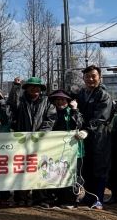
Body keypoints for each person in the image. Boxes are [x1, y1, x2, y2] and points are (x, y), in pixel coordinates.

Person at [7, 76, 56, 206]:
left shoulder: (47, 102)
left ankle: (40, 198)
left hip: (41, 143)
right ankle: (21, 198)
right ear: (26, 88)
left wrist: (40, 135)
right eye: (31, 86)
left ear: (41, 89)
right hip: (22, 143)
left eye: (37, 87)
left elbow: (50, 120)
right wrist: (16, 87)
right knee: (22, 170)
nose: (34, 89)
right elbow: (12, 105)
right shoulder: (21, 101)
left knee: (41, 169)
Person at [76, 65, 113, 210]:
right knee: (86, 167)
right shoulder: (81, 94)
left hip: (99, 136)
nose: (90, 79)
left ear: (99, 77)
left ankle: (98, 198)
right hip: (84, 137)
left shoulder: (103, 95)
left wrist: (87, 130)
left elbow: (101, 117)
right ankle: (88, 196)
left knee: (99, 167)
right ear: (83, 78)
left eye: (93, 76)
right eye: (87, 77)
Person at [48, 90, 85, 209]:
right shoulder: (51, 113)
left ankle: (71, 200)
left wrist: (75, 110)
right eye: (57, 100)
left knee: (72, 175)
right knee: (56, 174)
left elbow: (79, 125)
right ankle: (58, 198)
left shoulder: (73, 112)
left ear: (68, 101)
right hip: (56, 150)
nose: (60, 102)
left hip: (73, 151)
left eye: (63, 100)